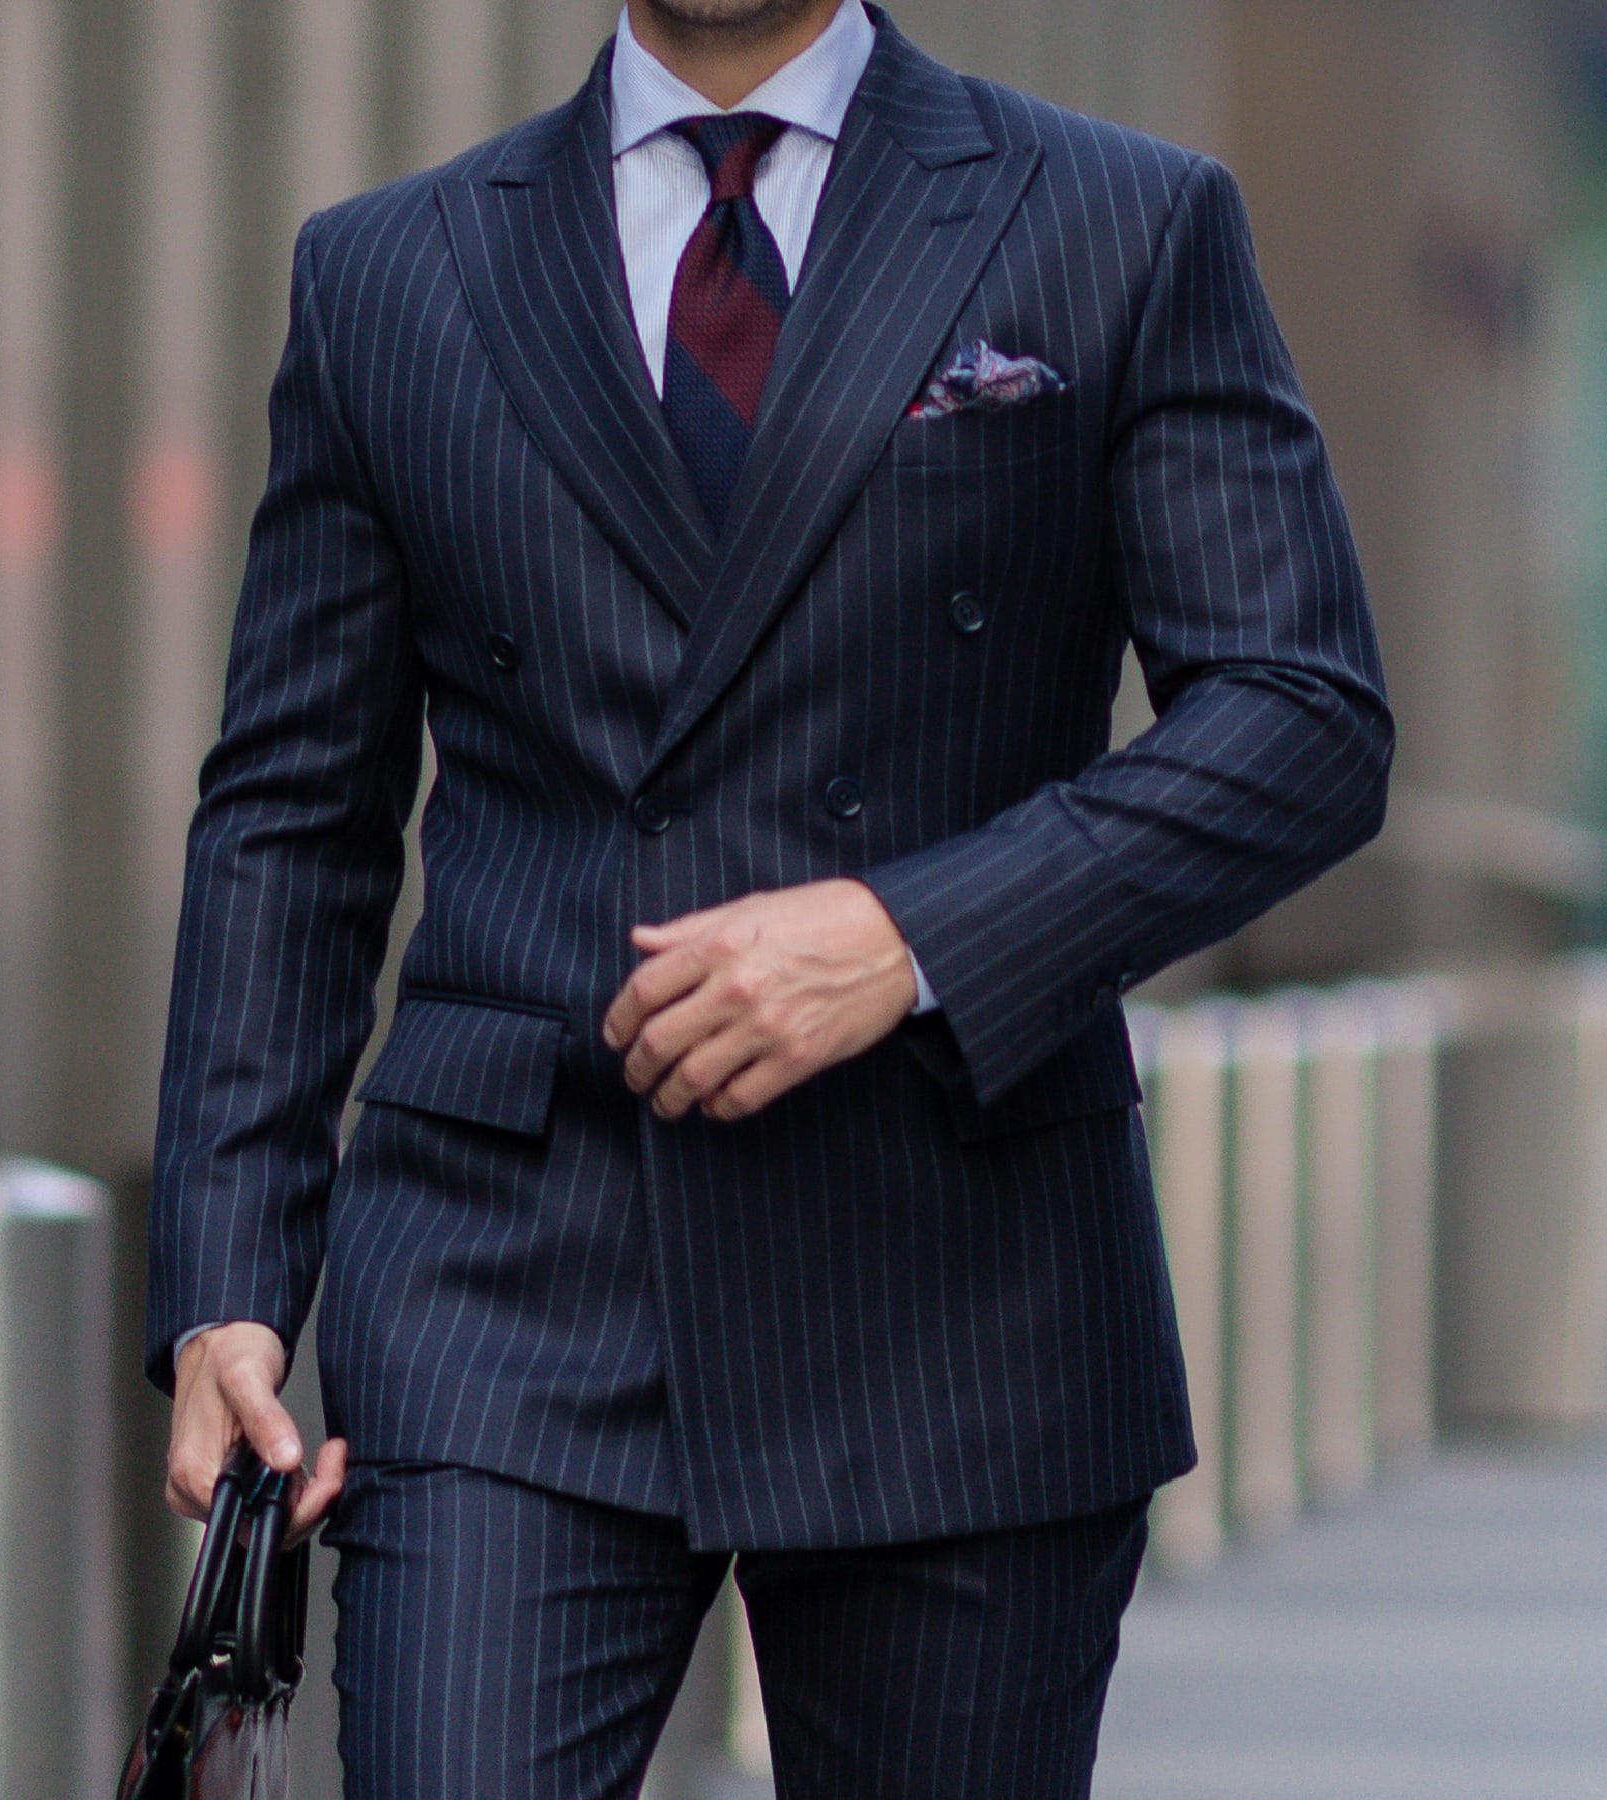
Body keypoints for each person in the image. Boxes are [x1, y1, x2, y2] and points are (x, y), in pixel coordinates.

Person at [142, 1, 1389, 1794]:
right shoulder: (388, 272)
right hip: (513, 1283)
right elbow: (291, 814)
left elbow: (1303, 719)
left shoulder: (1117, 216)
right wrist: (230, 1288)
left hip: (961, 1281)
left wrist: (912, 935)